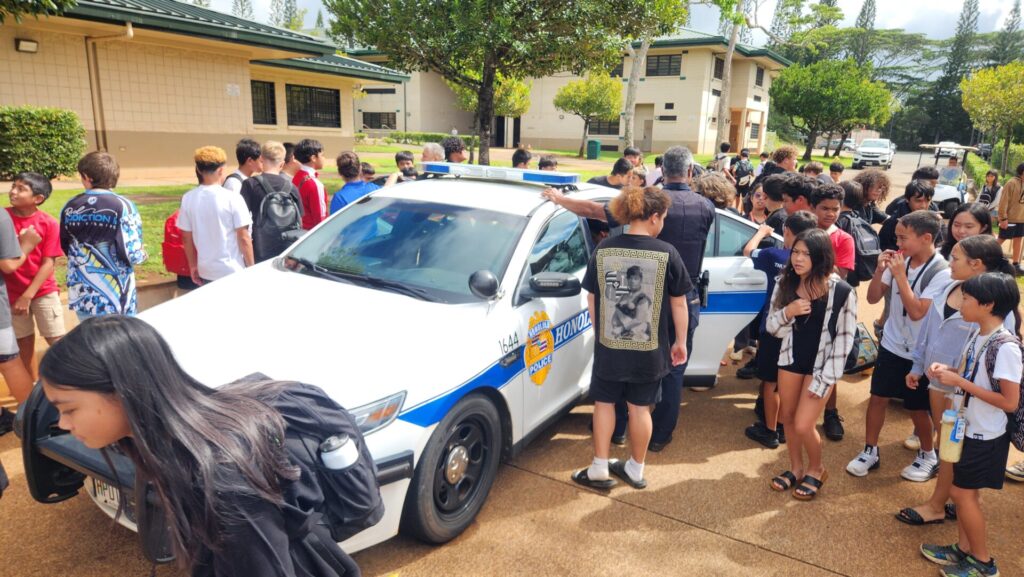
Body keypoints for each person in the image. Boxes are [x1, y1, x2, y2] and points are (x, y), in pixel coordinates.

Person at [38, 316, 363, 577]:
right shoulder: (163, 445)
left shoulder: (222, 480)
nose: (64, 424)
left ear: (122, 394)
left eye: (69, 409)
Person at [544, 146, 713, 448]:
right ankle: (658, 437)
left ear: (662, 170)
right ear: (689, 172)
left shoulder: (648, 202)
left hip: (636, 298)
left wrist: (559, 200)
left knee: (623, 367)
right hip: (681, 300)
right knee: (674, 370)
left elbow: (596, 211)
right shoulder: (704, 207)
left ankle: (618, 430)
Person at [571, 186, 690, 490]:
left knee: (605, 403)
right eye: (662, 217)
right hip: (649, 348)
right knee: (640, 407)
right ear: (653, 217)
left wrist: (601, 334)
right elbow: (679, 302)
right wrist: (680, 342)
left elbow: (593, 298)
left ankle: (599, 466)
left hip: (610, 345)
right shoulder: (667, 253)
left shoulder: (605, 248)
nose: (662, 222)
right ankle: (635, 468)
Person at [897, 235, 1017, 525]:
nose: (949, 261)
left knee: (952, 448)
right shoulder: (951, 286)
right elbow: (928, 331)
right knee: (948, 445)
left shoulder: (998, 316)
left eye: (956, 258)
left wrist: (959, 381)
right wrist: (919, 364)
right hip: (945, 383)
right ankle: (954, 500)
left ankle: (941, 503)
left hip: (965, 396)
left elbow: (1005, 388)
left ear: (976, 265)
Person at [920, 272, 1021, 577]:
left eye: (967, 298)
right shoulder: (979, 334)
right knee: (962, 493)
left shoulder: (1006, 347)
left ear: (988, 305)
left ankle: (983, 562)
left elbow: (1009, 402)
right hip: (967, 427)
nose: (961, 302)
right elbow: (974, 375)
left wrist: (958, 380)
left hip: (985, 434)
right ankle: (964, 549)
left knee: (963, 495)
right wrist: (948, 371)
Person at [847, 210, 951, 480]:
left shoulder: (942, 272)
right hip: (892, 343)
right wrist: (881, 269)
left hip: (922, 351)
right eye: (896, 237)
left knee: (917, 407)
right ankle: (870, 450)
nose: (898, 243)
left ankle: (928, 454)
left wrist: (900, 276)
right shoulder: (898, 261)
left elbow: (918, 312)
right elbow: (871, 298)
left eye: (903, 238)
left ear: (926, 237)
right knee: (878, 397)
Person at [767, 228, 857, 500]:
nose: (798, 258)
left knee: (805, 425)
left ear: (821, 256)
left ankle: (816, 469)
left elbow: (844, 341)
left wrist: (826, 379)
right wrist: (788, 312)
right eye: (795, 251)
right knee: (788, 419)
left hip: (822, 366)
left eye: (806, 253)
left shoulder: (842, 291)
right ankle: (795, 468)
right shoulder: (785, 282)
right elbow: (772, 327)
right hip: (791, 360)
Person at [743, 211, 819, 448]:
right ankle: (787, 426)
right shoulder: (816, 263)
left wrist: (762, 232)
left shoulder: (773, 254)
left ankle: (770, 429)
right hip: (802, 334)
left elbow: (747, 252)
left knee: (771, 383)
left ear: (786, 231)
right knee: (792, 381)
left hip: (774, 328)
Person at [61, 151, 146, 320]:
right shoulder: (123, 206)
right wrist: (143, 253)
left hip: (83, 293)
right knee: (120, 342)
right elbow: (133, 254)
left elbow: (66, 244)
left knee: (91, 341)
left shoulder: (70, 205)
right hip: (116, 296)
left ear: (87, 177)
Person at [5, 172, 65, 379]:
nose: (13, 191)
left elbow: (49, 262)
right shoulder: (4, 219)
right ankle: (31, 392)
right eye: (14, 186)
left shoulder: (48, 223)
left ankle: (70, 383)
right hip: (11, 293)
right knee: (24, 343)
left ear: (38, 198)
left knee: (57, 340)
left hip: (42, 291)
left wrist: (28, 295)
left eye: (21, 189)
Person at [178, 146, 254, 285]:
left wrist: (193, 265)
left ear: (199, 170)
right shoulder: (233, 198)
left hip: (205, 270)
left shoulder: (188, 198)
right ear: (221, 170)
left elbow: (186, 237)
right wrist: (251, 268)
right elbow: (244, 238)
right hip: (232, 270)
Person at [238, 141, 302, 261]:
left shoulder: (250, 184)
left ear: (261, 159)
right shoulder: (292, 187)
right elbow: (300, 221)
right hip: (287, 252)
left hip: (260, 250)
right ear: (282, 164)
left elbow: (242, 226)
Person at [331, 152, 398, 214]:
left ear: (340, 173)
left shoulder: (340, 197)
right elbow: (387, 189)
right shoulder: (373, 188)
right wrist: (395, 175)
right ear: (360, 169)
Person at [880, 180, 938, 251]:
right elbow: (884, 247)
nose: (923, 205)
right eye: (918, 201)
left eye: (927, 201)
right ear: (907, 199)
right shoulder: (893, 222)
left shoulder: (934, 217)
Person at [995, 162, 1024, 274]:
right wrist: (1003, 218)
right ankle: (987, 257)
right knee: (1001, 239)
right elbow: (1003, 201)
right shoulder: (1011, 183)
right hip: (1009, 218)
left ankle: (1016, 264)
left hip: (1021, 218)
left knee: (1018, 239)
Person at [733, 148, 756, 212]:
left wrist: (735, 175)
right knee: (744, 198)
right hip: (746, 182)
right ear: (747, 156)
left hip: (738, 182)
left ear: (741, 156)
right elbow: (753, 174)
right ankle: (741, 211)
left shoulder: (738, 162)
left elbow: (734, 170)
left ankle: (736, 209)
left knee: (737, 196)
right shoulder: (750, 163)